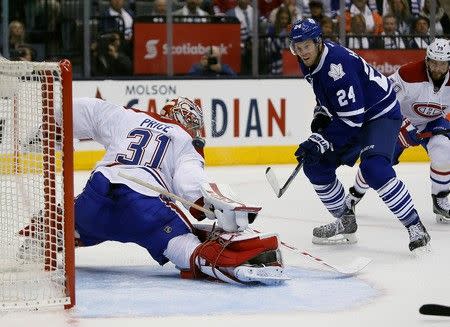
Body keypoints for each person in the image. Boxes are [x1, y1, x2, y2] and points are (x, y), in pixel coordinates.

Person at [57, 97, 285, 285]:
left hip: (97, 194)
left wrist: (54, 122)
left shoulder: (128, 116)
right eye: (193, 125)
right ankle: (231, 262)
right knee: (185, 242)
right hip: (143, 209)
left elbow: (88, 110)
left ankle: (46, 235)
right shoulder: (184, 139)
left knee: (68, 221)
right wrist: (207, 204)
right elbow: (189, 181)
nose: (194, 131)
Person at [288, 18, 430, 252]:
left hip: (379, 114)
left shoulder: (337, 66)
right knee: (314, 165)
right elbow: (329, 96)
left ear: (318, 42)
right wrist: (322, 112)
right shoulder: (308, 61)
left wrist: (320, 140)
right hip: (354, 116)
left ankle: (414, 225)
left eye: (306, 46)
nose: (302, 51)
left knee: (373, 169)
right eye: (298, 46)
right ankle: (345, 221)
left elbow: (352, 120)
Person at [347, 38, 450, 224]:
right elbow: (385, 100)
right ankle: (354, 194)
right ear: (427, 60)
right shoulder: (408, 74)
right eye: (433, 62)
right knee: (377, 161)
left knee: (444, 149)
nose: (437, 68)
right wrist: (404, 126)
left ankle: (440, 199)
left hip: (433, 122)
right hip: (397, 120)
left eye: (442, 64)